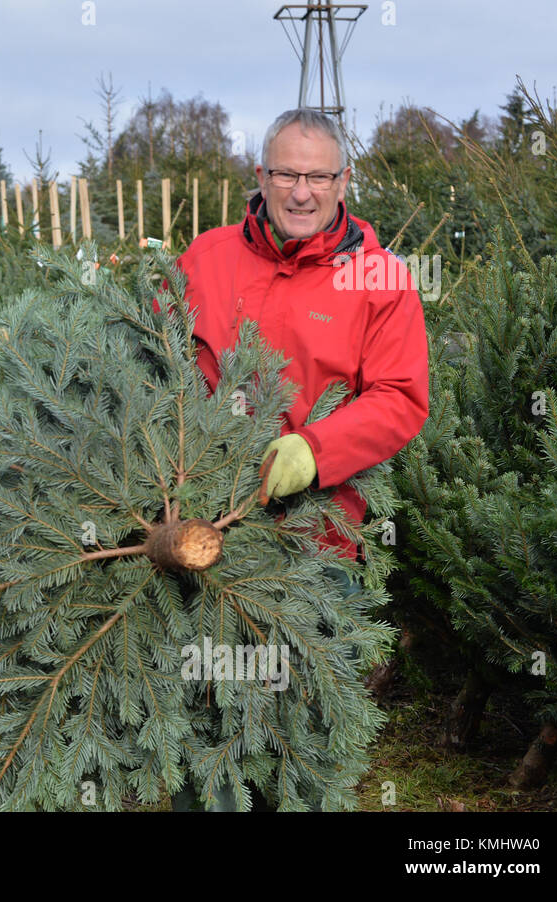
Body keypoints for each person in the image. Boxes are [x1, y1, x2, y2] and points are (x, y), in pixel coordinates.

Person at [163, 108, 429, 810]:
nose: (301, 191)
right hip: (205, 536)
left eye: (317, 176)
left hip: (318, 541)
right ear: (261, 176)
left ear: (344, 182)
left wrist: (316, 450)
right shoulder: (206, 258)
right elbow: (153, 357)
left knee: (296, 743)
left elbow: (402, 396)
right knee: (206, 726)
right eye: (286, 173)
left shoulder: (380, 279)